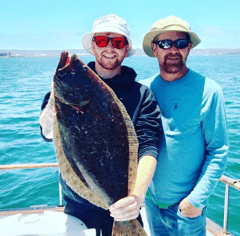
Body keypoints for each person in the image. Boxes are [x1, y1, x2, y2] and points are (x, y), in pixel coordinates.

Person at [39, 14, 162, 236]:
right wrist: (54, 99)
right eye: (103, 41)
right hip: (78, 206)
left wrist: (135, 198)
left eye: (117, 42)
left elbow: (148, 145)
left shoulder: (142, 95)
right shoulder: (67, 88)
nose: (109, 48)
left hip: (125, 207)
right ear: (93, 47)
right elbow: (47, 133)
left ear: (126, 50)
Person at [140, 15, 229, 236]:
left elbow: (218, 150)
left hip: (186, 210)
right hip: (150, 203)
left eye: (180, 43)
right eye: (165, 43)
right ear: (155, 48)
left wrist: (195, 201)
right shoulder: (142, 90)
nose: (173, 50)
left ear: (189, 48)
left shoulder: (209, 91)